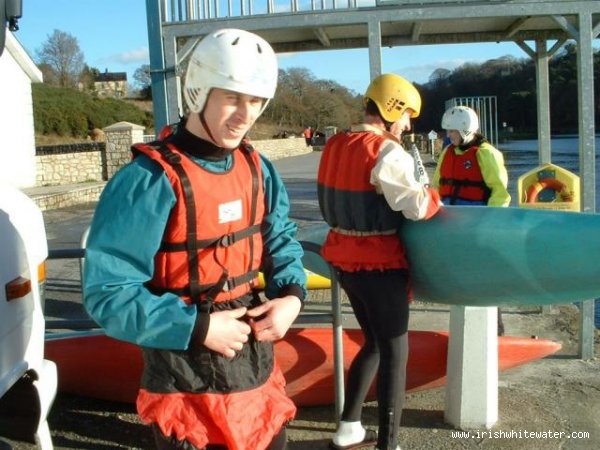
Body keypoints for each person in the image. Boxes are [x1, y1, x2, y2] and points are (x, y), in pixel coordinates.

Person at [83, 28, 307, 450]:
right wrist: (198, 326)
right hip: (182, 378)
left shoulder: (259, 170)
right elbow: (107, 293)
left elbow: (281, 241)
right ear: (199, 92)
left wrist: (292, 297)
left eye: (256, 101)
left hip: (255, 370)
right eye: (233, 98)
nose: (246, 114)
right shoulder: (146, 182)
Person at [317, 73, 442, 450]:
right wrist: (432, 194)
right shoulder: (388, 151)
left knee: (372, 343)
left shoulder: (335, 143)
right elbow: (417, 208)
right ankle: (390, 444)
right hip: (379, 267)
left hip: (344, 264)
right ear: (392, 109)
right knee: (394, 352)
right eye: (406, 116)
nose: (408, 125)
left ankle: (348, 428)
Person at [432, 105, 511, 335]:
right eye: (448, 132)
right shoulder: (448, 153)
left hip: (478, 225)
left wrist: (489, 224)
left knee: (484, 276)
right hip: (452, 223)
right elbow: (437, 185)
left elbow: (500, 192)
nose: (449, 136)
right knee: (458, 275)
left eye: (452, 132)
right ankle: (464, 324)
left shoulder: (486, 153)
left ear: (466, 130)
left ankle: (495, 327)